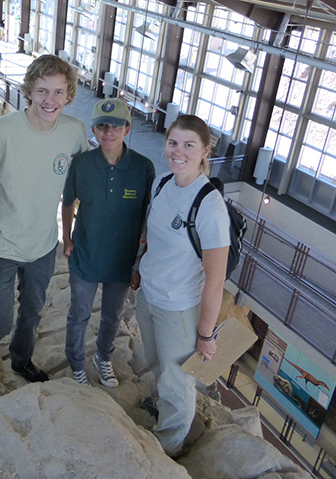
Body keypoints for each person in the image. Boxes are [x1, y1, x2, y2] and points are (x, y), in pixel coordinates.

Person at [0, 54, 89, 393]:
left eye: (59, 92)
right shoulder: (1, 132)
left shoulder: (73, 131)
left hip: (43, 245)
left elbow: (85, 174)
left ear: (69, 95)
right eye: (42, 91)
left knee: (32, 313)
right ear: (28, 91)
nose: (50, 101)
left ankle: (20, 359)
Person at [135, 114, 230, 458]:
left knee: (177, 379)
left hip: (178, 307)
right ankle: (164, 408)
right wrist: (138, 270)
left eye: (189, 145)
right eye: (173, 143)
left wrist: (205, 335)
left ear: (205, 150)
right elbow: (153, 237)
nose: (179, 152)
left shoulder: (209, 206)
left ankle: (169, 444)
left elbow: (215, 278)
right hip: (150, 293)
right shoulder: (162, 183)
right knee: (156, 360)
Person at [62, 98, 155, 387]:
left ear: (127, 129)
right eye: (101, 126)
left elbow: (146, 216)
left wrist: (139, 260)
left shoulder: (143, 168)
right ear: (93, 130)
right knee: (78, 314)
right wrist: (66, 238)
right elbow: (68, 202)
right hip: (86, 255)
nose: (108, 132)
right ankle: (76, 364)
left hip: (121, 259)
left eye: (115, 126)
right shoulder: (82, 164)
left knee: (112, 317)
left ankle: (103, 358)